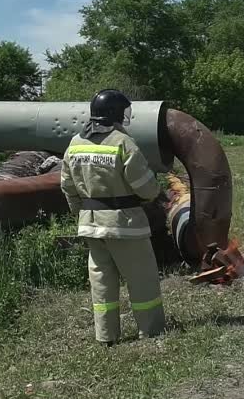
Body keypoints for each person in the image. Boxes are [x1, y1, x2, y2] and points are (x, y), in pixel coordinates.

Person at [60, 89, 166, 345]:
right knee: (142, 279)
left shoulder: (75, 143)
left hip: (91, 225)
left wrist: (82, 211)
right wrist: (156, 194)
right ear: (116, 114)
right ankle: (150, 331)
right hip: (125, 225)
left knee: (102, 281)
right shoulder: (122, 142)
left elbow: (66, 184)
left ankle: (106, 335)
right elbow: (144, 186)